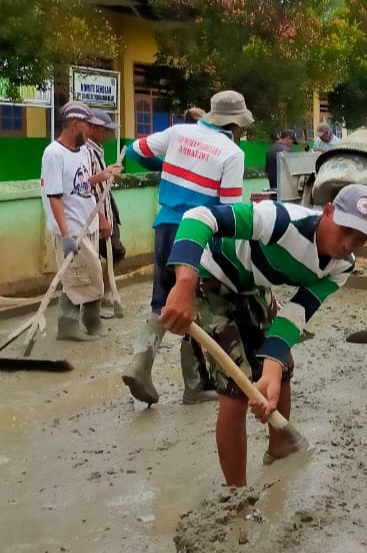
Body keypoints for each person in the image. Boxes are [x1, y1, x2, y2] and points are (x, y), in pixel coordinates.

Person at [160, 185, 367, 486]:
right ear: (328, 211)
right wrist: (184, 282)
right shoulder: (279, 219)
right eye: (345, 230)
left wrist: (272, 368)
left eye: (360, 238)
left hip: (253, 286)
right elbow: (199, 217)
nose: (347, 244)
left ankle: (279, 446)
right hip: (210, 277)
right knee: (236, 389)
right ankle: (236, 492)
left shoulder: (342, 266)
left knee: (284, 368)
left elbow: (296, 315)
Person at [122, 90, 250, 407]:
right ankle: (194, 384)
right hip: (197, 233)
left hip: (165, 226)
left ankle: (141, 361)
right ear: (236, 124)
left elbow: (133, 151)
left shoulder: (178, 134)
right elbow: (229, 212)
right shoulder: (233, 153)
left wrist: (173, 161)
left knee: (162, 299)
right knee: (196, 302)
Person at [40, 101, 108, 341]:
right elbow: (55, 197)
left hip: (86, 223)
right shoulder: (53, 154)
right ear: (74, 125)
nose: (91, 131)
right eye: (88, 126)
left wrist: (101, 177)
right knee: (76, 277)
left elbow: (83, 187)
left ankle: (91, 321)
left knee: (94, 273)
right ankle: (68, 326)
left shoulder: (83, 151)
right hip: (69, 229)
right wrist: (65, 234)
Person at [85, 108, 126, 319]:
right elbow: (85, 188)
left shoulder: (97, 150)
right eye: (105, 130)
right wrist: (100, 217)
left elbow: (98, 181)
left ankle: (104, 295)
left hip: (108, 212)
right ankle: (97, 299)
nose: (109, 135)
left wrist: (108, 172)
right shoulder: (86, 152)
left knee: (114, 254)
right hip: (95, 217)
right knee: (94, 260)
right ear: (93, 128)